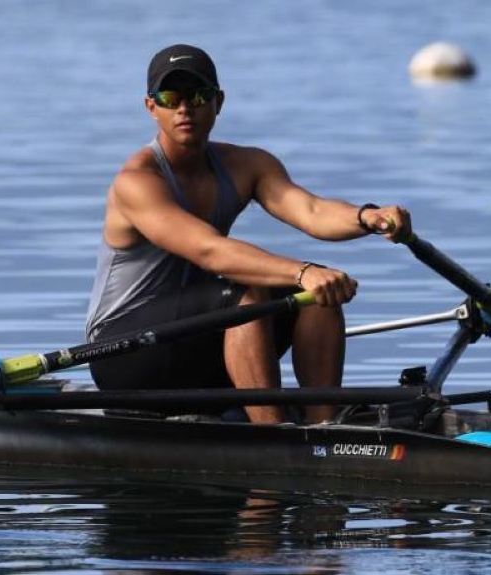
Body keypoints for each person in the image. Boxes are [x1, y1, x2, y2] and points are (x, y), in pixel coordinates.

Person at [85, 44, 411, 424]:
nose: (184, 108)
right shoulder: (137, 181)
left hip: (197, 340)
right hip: (125, 355)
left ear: (218, 102)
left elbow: (312, 211)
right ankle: (272, 433)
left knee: (315, 298)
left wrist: (368, 216)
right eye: (171, 98)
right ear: (151, 107)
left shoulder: (248, 165)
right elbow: (209, 251)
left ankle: (324, 430)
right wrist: (303, 271)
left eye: (197, 96)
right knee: (249, 292)